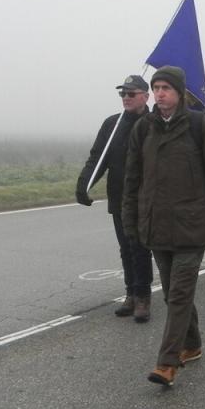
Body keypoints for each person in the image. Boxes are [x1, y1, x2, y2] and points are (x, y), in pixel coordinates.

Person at [122, 66, 205, 387]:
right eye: (156, 88)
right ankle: (192, 344)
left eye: (166, 88)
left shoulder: (201, 127)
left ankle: (167, 363)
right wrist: (132, 221)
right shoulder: (143, 129)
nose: (160, 94)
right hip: (157, 227)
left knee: (180, 294)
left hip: (192, 228)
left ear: (180, 93)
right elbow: (133, 181)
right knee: (173, 294)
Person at [76, 75, 154, 323]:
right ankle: (130, 293)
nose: (126, 98)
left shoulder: (154, 123)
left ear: (145, 96)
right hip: (119, 196)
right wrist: (84, 184)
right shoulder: (112, 124)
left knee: (140, 247)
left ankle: (142, 296)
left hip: (145, 198)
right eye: (123, 94)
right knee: (126, 247)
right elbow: (98, 157)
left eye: (131, 94)